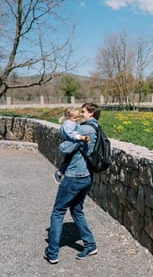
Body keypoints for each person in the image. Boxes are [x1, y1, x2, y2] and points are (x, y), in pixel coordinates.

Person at [44, 103, 101, 264]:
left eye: (83, 112)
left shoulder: (83, 130)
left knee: (58, 211)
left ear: (91, 113)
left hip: (75, 175)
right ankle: (90, 245)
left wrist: (63, 141)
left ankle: (52, 252)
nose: (80, 114)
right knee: (76, 210)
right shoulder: (96, 127)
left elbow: (64, 148)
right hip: (87, 177)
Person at [53, 106, 89, 185]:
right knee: (68, 160)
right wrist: (80, 137)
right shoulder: (67, 124)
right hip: (70, 145)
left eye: (77, 117)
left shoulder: (72, 122)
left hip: (74, 144)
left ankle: (64, 174)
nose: (77, 119)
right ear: (68, 117)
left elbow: (78, 127)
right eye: (75, 118)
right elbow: (71, 134)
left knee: (71, 160)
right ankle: (59, 173)